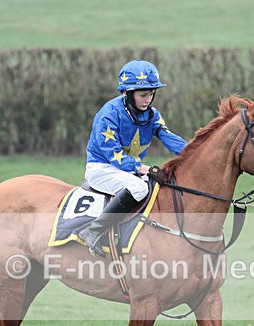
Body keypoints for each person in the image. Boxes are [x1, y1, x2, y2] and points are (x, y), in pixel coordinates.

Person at [78, 59, 187, 256]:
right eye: (143, 95)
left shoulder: (152, 115)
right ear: (127, 94)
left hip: (128, 171)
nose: (148, 99)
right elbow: (116, 157)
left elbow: (167, 137)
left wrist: (193, 153)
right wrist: (145, 169)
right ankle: (92, 232)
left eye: (151, 94)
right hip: (102, 168)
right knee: (139, 188)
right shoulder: (109, 115)